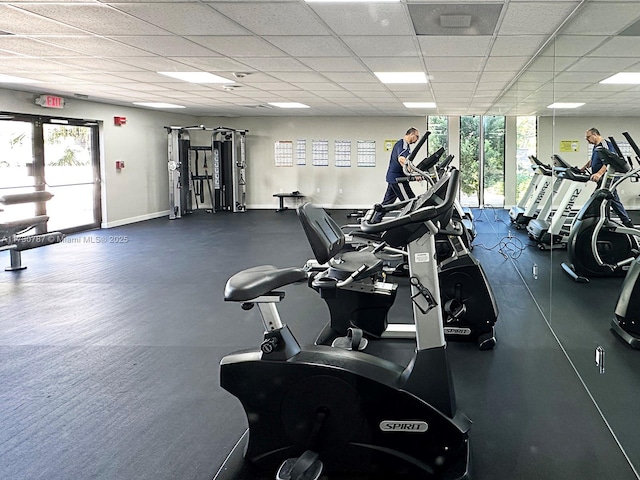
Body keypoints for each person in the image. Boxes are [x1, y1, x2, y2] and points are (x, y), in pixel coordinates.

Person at [581, 127, 634, 227]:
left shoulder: (605, 145)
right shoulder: (596, 146)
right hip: (602, 178)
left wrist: (599, 173)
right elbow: (593, 160)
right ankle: (609, 219)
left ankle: (625, 222)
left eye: (588, 137)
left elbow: (609, 162)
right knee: (610, 199)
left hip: (607, 177)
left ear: (595, 135)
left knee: (599, 198)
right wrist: (583, 168)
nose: (587, 140)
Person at [371, 127, 420, 223]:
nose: (417, 139)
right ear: (411, 134)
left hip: (393, 178)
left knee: (387, 203)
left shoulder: (402, 144)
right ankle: (412, 224)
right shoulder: (403, 145)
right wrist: (410, 169)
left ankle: (374, 221)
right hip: (398, 180)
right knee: (410, 201)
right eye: (417, 136)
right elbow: (401, 159)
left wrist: (413, 172)